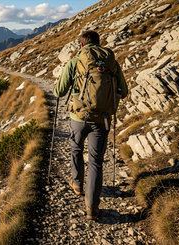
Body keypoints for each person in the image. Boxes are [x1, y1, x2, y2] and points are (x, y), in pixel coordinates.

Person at [53, 30, 128, 220]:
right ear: (99, 43)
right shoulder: (111, 62)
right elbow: (124, 91)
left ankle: (77, 184)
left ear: (81, 45)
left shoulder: (76, 61)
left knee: (75, 148)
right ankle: (92, 209)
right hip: (102, 119)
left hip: (78, 117)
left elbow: (59, 91)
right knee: (96, 162)